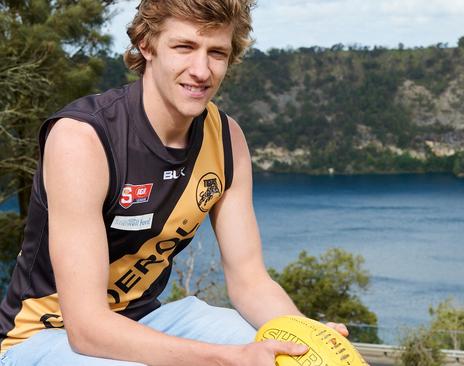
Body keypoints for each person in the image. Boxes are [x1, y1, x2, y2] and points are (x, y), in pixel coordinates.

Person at [0, 0, 347, 365]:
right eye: (184, 47)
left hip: (148, 319)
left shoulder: (227, 140)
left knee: (278, 351)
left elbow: (251, 281)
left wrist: (306, 337)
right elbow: (86, 328)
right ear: (147, 45)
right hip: (45, 336)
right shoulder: (83, 139)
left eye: (217, 53)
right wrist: (225, 358)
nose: (201, 70)